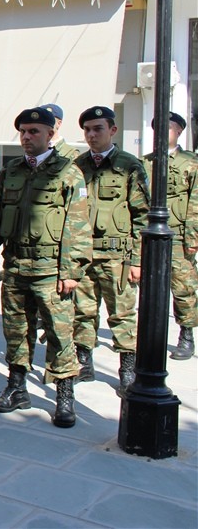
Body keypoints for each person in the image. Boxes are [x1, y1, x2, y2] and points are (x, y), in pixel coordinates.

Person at [0, 107, 90, 428]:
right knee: (15, 330)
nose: (26, 137)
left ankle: (64, 395)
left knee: (59, 331)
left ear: (51, 134)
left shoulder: (68, 172)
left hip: (52, 270)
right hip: (16, 266)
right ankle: (17, 387)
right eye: (23, 132)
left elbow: (77, 226)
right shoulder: (12, 171)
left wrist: (70, 271)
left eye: (34, 132)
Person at [73, 106, 149, 395]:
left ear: (112, 131)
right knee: (83, 310)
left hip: (118, 256)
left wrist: (138, 260)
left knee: (122, 313)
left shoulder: (130, 165)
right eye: (88, 130)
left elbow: (142, 215)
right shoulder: (78, 166)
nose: (92, 135)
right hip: (84, 253)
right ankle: (84, 361)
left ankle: (127, 368)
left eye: (98, 129)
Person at [144, 112, 197, 360]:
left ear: (179, 132)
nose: (163, 133)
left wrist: (193, 238)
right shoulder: (145, 163)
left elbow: (196, 203)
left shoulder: (191, 163)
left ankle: (186, 333)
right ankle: (148, 335)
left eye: (169, 128)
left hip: (178, 236)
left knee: (183, 286)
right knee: (149, 287)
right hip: (148, 235)